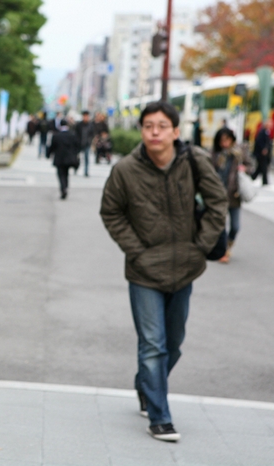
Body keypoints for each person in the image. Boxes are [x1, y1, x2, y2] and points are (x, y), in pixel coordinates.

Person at [100, 101, 227, 442]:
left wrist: (200, 245)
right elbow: (111, 212)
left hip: (185, 268)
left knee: (173, 344)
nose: (154, 132)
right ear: (142, 131)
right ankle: (160, 417)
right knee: (153, 344)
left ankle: (146, 385)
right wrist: (137, 251)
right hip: (143, 272)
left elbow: (218, 203)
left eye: (161, 126)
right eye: (148, 126)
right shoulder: (125, 170)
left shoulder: (195, 161)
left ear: (175, 131)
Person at [212, 127, 246, 263]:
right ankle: (223, 251)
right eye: (222, 141)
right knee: (221, 226)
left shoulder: (239, 153)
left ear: (232, 140)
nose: (224, 143)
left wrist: (244, 169)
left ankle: (229, 246)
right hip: (218, 195)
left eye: (227, 140)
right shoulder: (214, 154)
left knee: (235, 226)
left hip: (234, 195)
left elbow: (252, 166)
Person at [47, 121, 80, 199]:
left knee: (60, 174)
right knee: (66, 173)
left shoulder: (56, 136)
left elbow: (52, 147)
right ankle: (65, 187)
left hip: (59, 158)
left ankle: (63, 188)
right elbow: (78, 146)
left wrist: (48, 155)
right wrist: (75, 154)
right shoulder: (72, 135)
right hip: (69, 158)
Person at [251, 119, 272, 185]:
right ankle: (265, 181)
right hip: (261, 154)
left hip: (263, 154)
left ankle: (252, 177)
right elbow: (259, 142)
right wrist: (263, 149)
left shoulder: (266, 131)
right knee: (263, 167)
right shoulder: (262, 132)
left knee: (260, 168)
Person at [74, 110, 95, 177]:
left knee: (86, 158)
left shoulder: (90, 125)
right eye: (84, 116)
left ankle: (86, 171)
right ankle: (76, 168)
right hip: (79, 143)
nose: (86, 117)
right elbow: (76, 134)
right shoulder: (79, 125)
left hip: (87, 144)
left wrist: (90, 141)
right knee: (77, 157)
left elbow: (92, 134)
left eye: (87, 116)